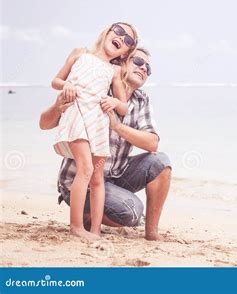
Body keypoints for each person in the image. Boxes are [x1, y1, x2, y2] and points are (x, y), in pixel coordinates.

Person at [40, 47, 171, 241]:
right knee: (132, 212)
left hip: (115, 175)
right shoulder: (98, 83)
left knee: (160, 162)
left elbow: (152, 143)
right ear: (122, 62)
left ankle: (151, 233)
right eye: (138, 62)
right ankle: (85, 217)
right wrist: (58, 106)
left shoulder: (141, 100)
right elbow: (44, 124)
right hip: (80, 182)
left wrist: (117, 127)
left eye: (148, 68)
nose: (144, 68)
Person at [50, 22, 138, 241]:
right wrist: (66, 86)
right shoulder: (80, 53)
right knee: (86, 169)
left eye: (128, 41)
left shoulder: (115, 70)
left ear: (126, 51)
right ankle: (76, 227)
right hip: (77, 113)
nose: (121, 38)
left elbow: (124, 106)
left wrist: (112, 100)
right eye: (119, 31)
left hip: (98, 121)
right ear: (107, 31)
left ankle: (95, 230)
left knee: (97, 177)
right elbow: (56, 80)